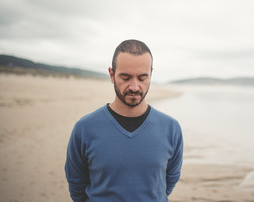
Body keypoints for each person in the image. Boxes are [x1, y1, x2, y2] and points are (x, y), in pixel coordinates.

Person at [65, 39, 183, 202]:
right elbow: (77, 185)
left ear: (151, 75)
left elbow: (169, 182)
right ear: (112, 75)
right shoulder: (84, 128)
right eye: (126, 77)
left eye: (142, 78)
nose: (134, 87)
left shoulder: (171, 128)